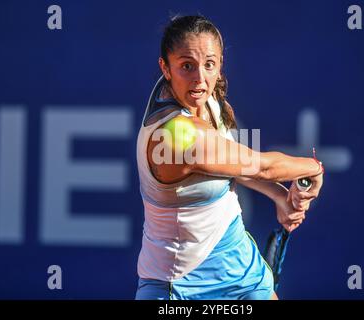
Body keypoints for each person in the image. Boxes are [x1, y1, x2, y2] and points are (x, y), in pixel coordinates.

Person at [135, 15, 324, 300]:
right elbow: (259, 165)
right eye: (187, 66)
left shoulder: (209, 102)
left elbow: (231, 166)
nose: (200, 78)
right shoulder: (175, 135)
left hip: (238, 260)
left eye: (209, 64)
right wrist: (313, 168)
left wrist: (278, 197)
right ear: (166, 67)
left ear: (220, 64)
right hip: (176, 283)